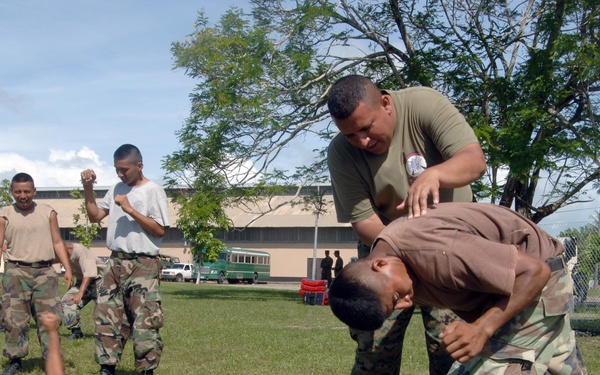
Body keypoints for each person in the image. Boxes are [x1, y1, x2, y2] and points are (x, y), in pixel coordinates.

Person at [327, 74, 486, 374]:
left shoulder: (423, 105)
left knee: (451, 348)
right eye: (350, 135)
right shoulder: (340, 153)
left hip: (449, 250)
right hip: (384, 255)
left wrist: (435, 175)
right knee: (374, 349)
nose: (361, 141)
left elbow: (474, 160)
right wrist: (409, 249)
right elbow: (363, 222)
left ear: (385, 104)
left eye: (366, 128)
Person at [328, 202, 588, 374]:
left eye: (396, 298)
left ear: (380, 265)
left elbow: (534, 271)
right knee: (559, 360)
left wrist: (481, 329)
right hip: (505, 288)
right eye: (394, 307)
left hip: (537, 281)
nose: (406, 304)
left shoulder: (435, 251)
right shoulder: (391, 263)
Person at [81, 144, 169, 375]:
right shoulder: (116, 188)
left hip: (143, 264)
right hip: (114, 263)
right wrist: (87, 188)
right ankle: (106, 367)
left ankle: (146, 369)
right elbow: (94, 216)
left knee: (145, 320)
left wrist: (130, 210)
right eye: (117, 170)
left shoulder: (154, 191)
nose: (120, 174)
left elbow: (160, 230)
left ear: (139, 166)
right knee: (107, 317)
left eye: (125, 170)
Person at [0, 172, 73, 375]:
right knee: (14, 319)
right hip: (16, 271)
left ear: (34, 191)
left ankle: (52, 359)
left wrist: (67, 268)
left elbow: (58, 241)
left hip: (45, 272)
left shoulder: (48, 212)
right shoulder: (5, 213)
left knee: (48, 318)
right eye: (18, 192)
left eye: (27, 191)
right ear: (12, 192)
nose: (22, 196)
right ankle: (15, 359)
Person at [61, 242, 106, 340]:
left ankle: (119, 333)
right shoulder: (61, 254)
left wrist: (80, 292)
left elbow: (89, 273)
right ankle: (76, 332)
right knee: (67, 301)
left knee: (107, 309)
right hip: (82, 281)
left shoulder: (79, 250)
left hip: (101, 281)